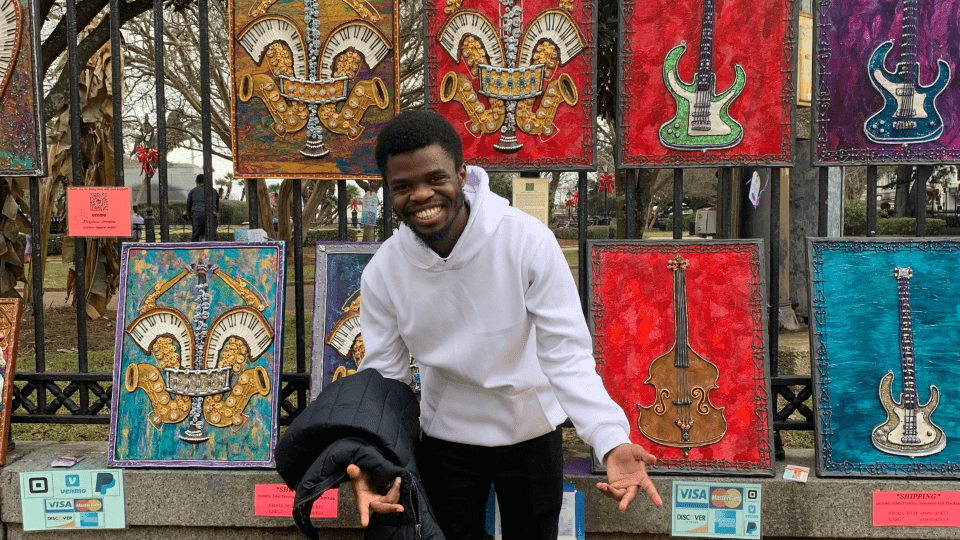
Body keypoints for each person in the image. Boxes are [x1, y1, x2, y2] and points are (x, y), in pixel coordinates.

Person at [350, 110, 662, 539]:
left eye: (435, 179)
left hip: (530, 429)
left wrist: (609, 438)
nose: (421, 195)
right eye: (403, 186)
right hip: (445, 436)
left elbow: (567, 355)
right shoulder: (384, 270)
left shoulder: (526, 241)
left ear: (461, 173)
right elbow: (386, 376)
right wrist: (376, 461)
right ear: (389, 190)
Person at [184, 174, 219, 242]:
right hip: (211, 214)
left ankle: (194, 250)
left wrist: (189, 218)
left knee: (195, 237)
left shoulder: (193, 191)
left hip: (198, 215)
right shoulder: (214, 191)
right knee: (212, 237)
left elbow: (188, 209)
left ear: (196, 182)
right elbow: (217, 207)